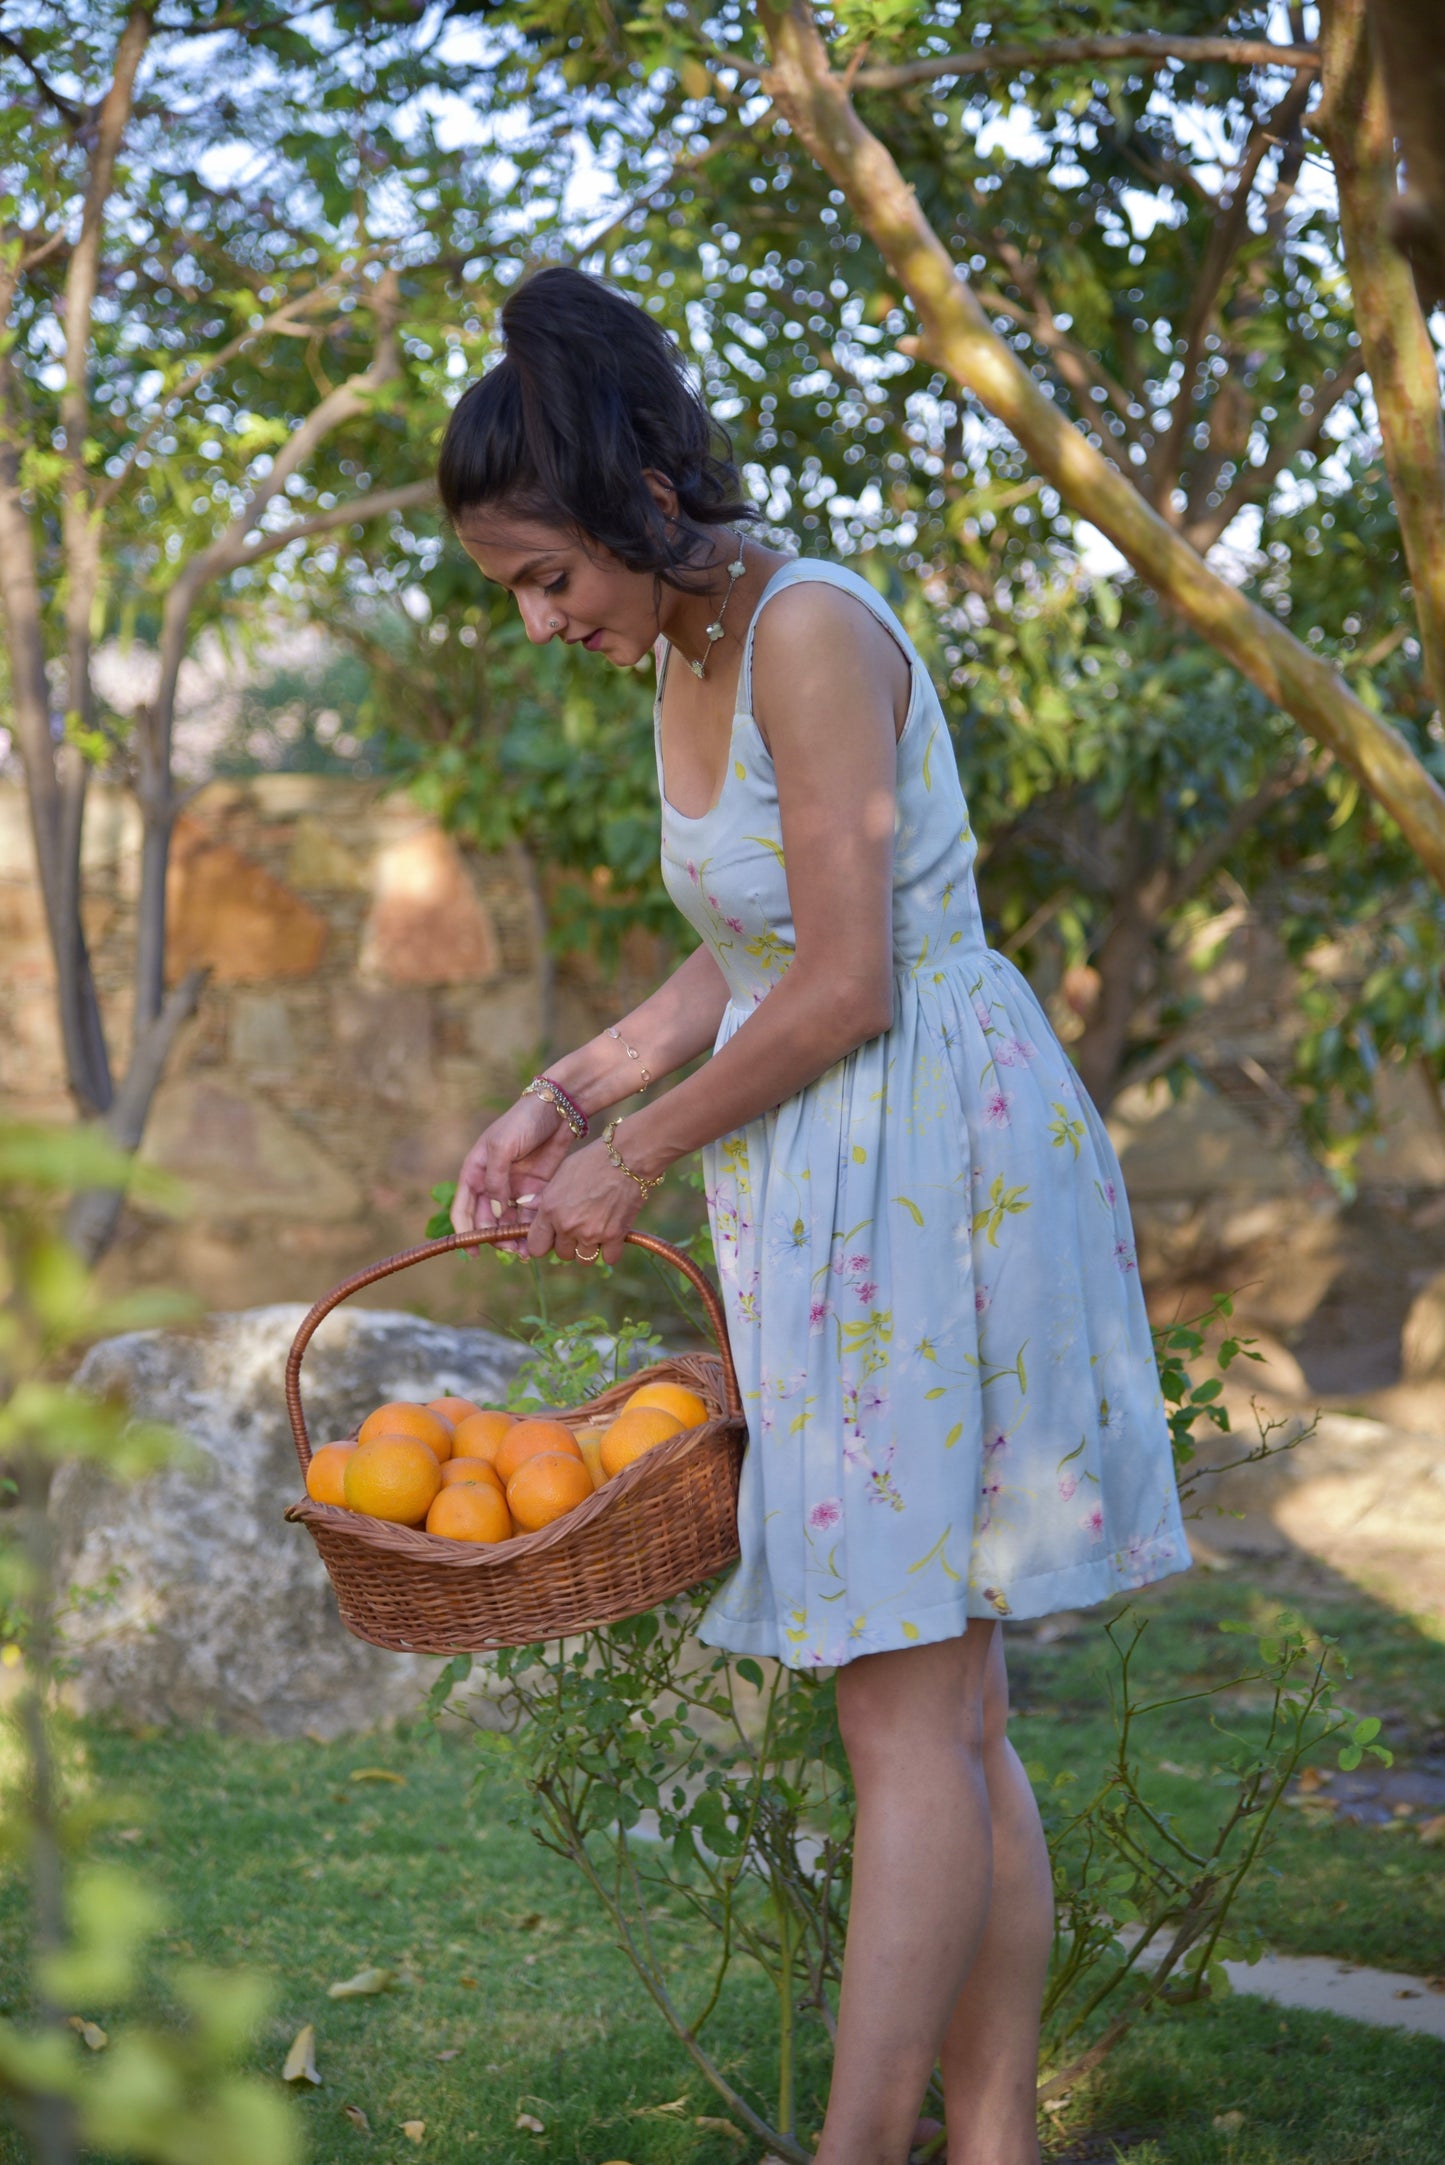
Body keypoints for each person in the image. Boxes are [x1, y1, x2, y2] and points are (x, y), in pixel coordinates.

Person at [442, 263, 1192, 2165]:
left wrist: (641, 1158)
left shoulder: (803, 628)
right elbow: (733, 953)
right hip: (831, 1177)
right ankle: (993, 2141)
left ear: (635, 498)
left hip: (928, 1164)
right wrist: (563, 1098)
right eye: (516, 593)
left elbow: (849, 975)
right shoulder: (688, 654)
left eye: (550, 577)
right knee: (942, 1710)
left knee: (902, 1716)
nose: (544, 623)